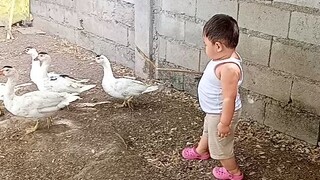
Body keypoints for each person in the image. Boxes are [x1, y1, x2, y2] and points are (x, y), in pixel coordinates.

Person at [182, 14, 244, 180]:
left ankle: (234, 173)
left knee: (221, 147)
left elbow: (229, 99)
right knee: (208, 130)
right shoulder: (224, 56)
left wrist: (225, 123)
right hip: (214, 111)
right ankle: (201, 151)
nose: (205, 48)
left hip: (222, 113)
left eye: (205, 44)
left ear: (218, 46)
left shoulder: (229, 68)